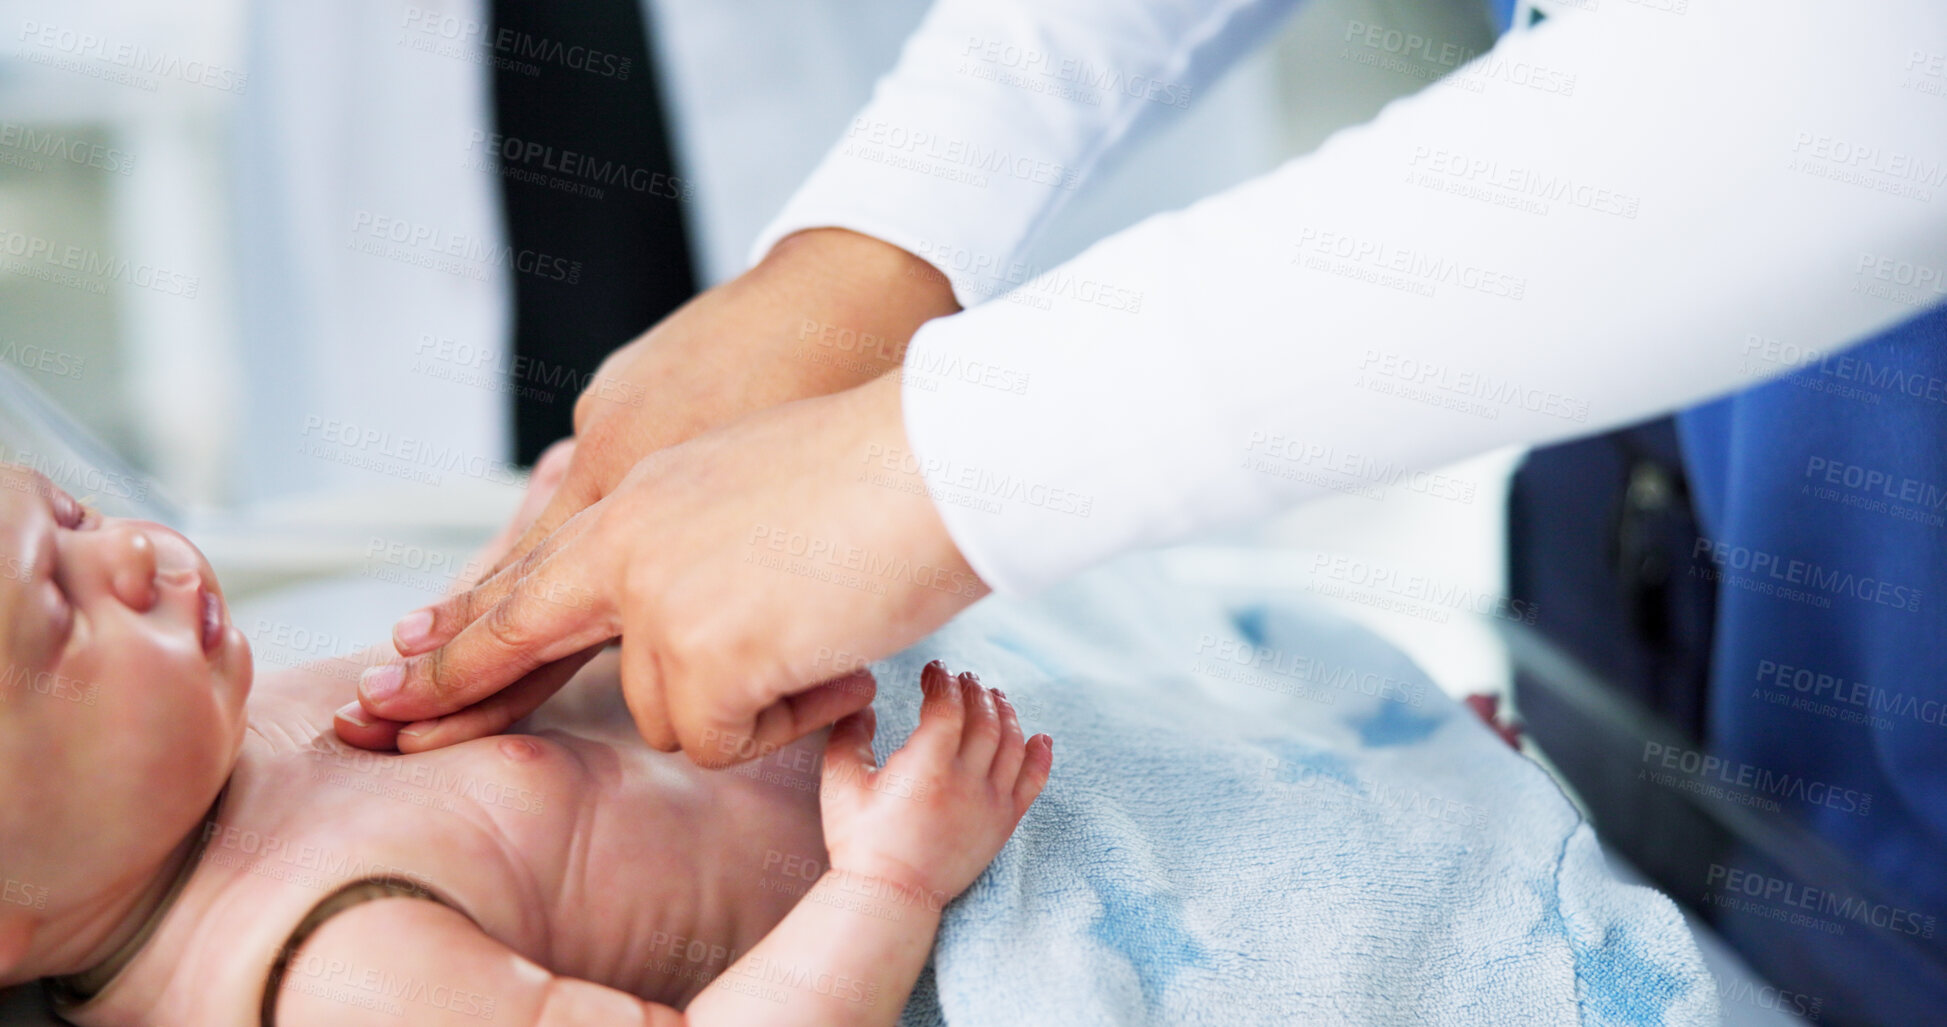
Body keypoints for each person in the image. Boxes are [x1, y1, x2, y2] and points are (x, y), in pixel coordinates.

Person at [0, 464, 1051, 1026]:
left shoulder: (213, 745)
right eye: (61, 601)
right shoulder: (335, 976)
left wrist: (532, 550)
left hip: (918, 723)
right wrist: (889, 884)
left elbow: (449, 674)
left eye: (75, 516)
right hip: (928, 898)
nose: (137, 552)